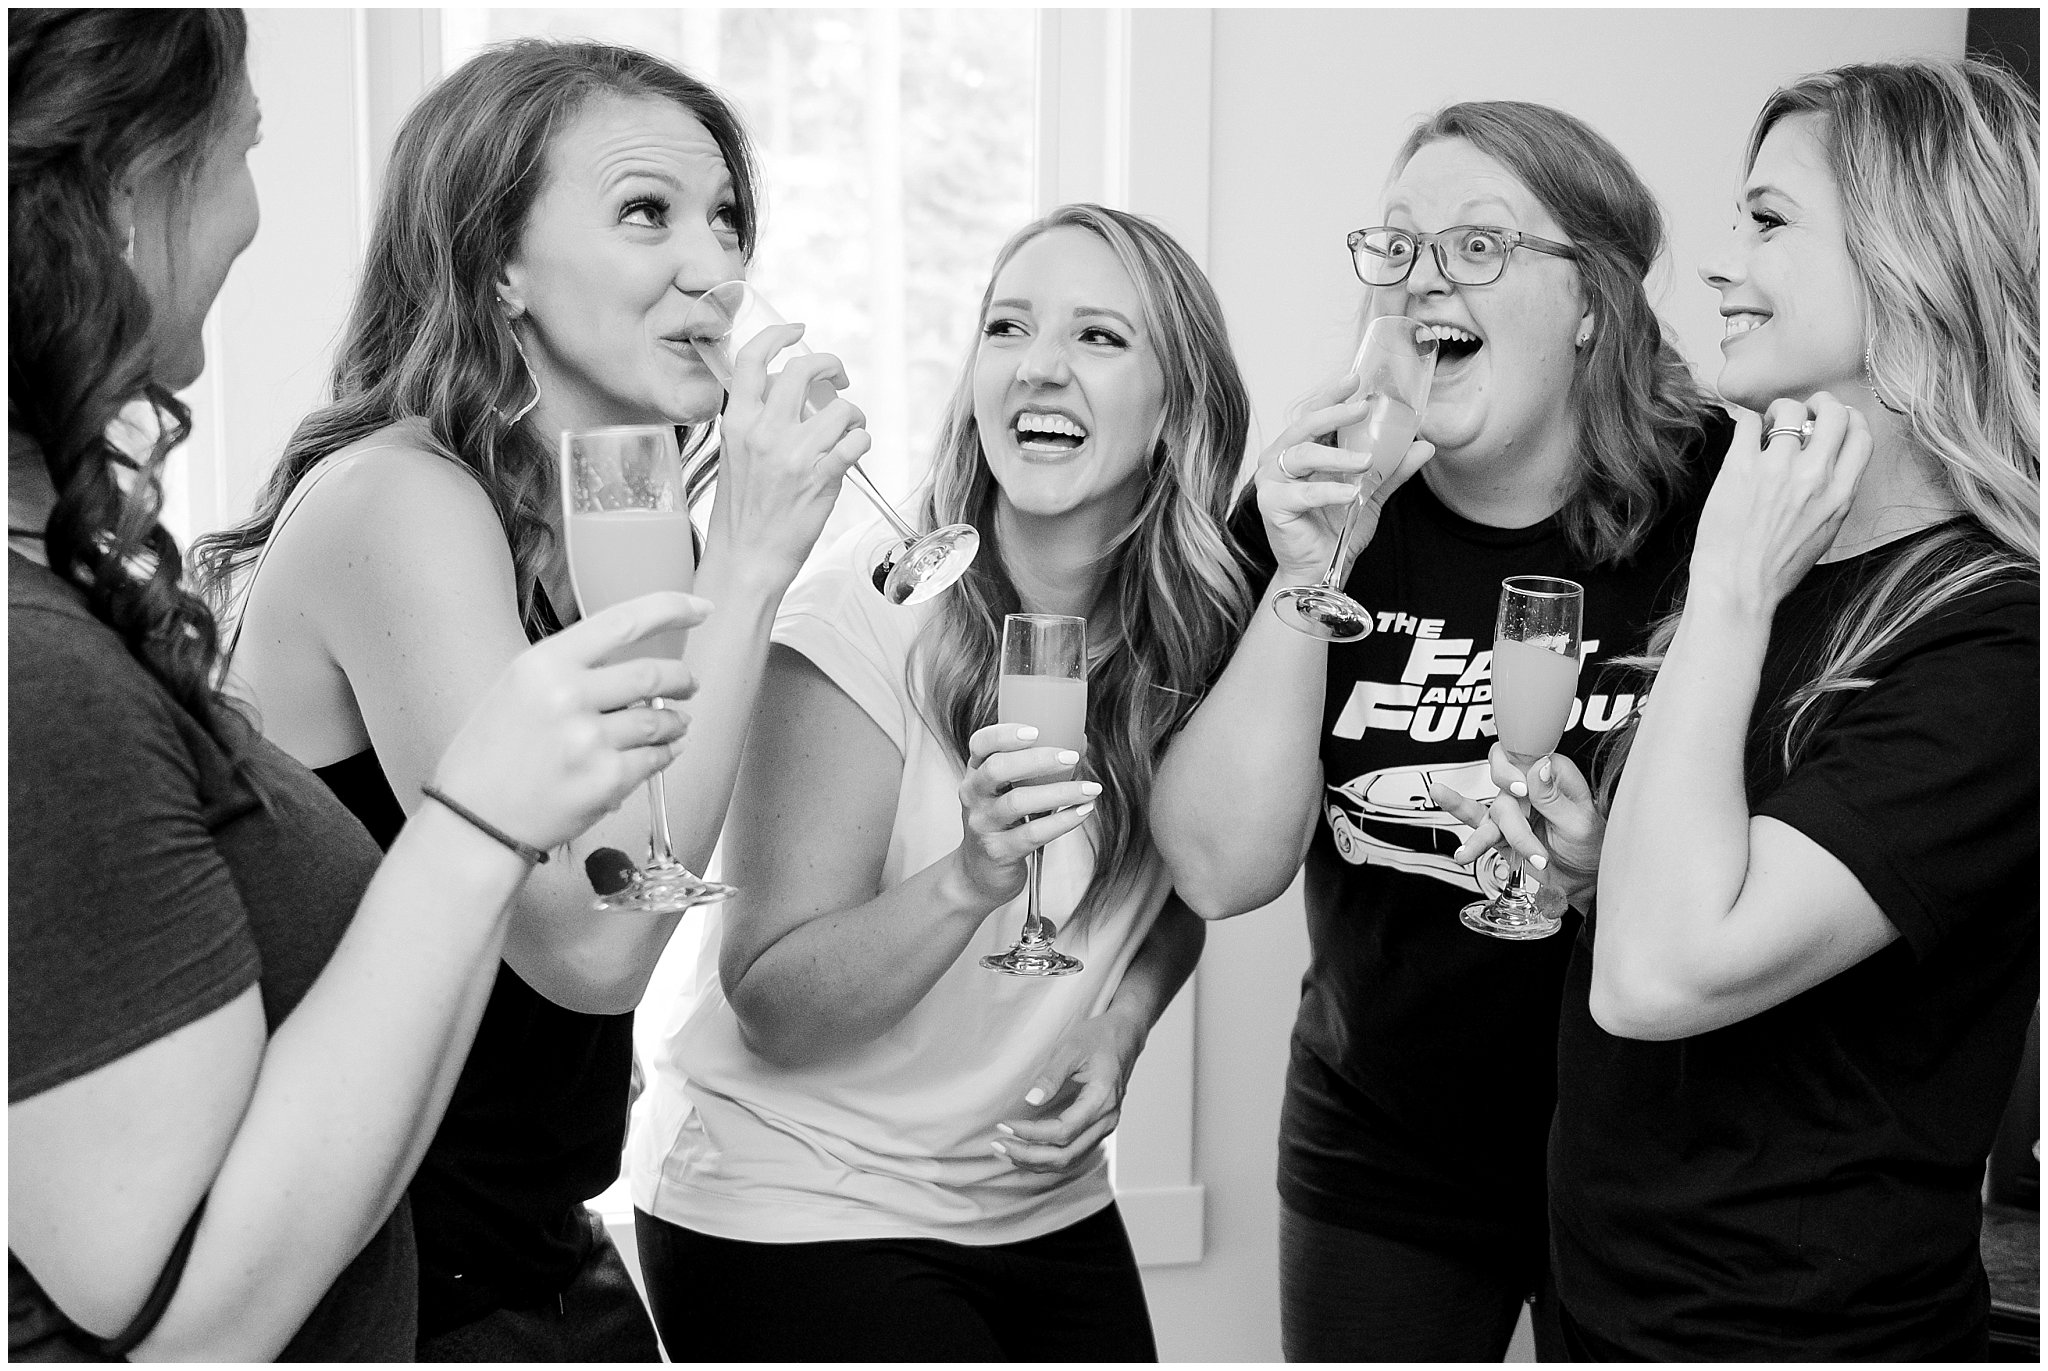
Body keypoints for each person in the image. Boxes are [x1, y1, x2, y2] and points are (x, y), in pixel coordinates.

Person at [9, 11, 703, 1360]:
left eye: (722, 216)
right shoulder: (41, 677)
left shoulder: (58, 629)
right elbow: (184, 1319)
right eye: (241, 148)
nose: (256, 213)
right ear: (128, 184)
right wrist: (477, 826)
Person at [188, 39, 868, 1360]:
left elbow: (640, 854)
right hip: (377, 1285)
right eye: (645, 212)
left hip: (534, 1243)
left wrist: (715, 563)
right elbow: (592, 944)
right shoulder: (403, 498)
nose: (715, 267)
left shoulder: (624, 505)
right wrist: (749, 564)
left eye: (725, 217)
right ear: (496, 261)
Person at [1451, 58, 2036, 1361]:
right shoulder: (1784, 561)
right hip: (1606, 1314)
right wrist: (1600, 864)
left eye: (1768, 221)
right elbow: (1701, 894)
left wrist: (1725, 580)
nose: (1719, 266)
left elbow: (1663, 978)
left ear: (1913, 259)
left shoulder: (2003, 636)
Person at [1149, 102, 1734, 1361]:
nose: (1422, 282)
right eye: (1397, 246)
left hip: (1673, 1168)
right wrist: (1312, 564)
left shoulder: (1724, 504)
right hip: (1387, 1162)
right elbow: (1217, 867)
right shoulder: (1317, 504)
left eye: (1477, 247)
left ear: (1593, 302)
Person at [627, 203, 1249, 1360]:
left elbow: (1176, 897)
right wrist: (970, 877)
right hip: (799, 1206)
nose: (1038, 367)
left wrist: (1117, 1027)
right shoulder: (860, 619)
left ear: (1178, 407)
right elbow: (774, 1003)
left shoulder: (1204, 642)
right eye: (1006, 328)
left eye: (1100, 338)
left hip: (1035, 1205)